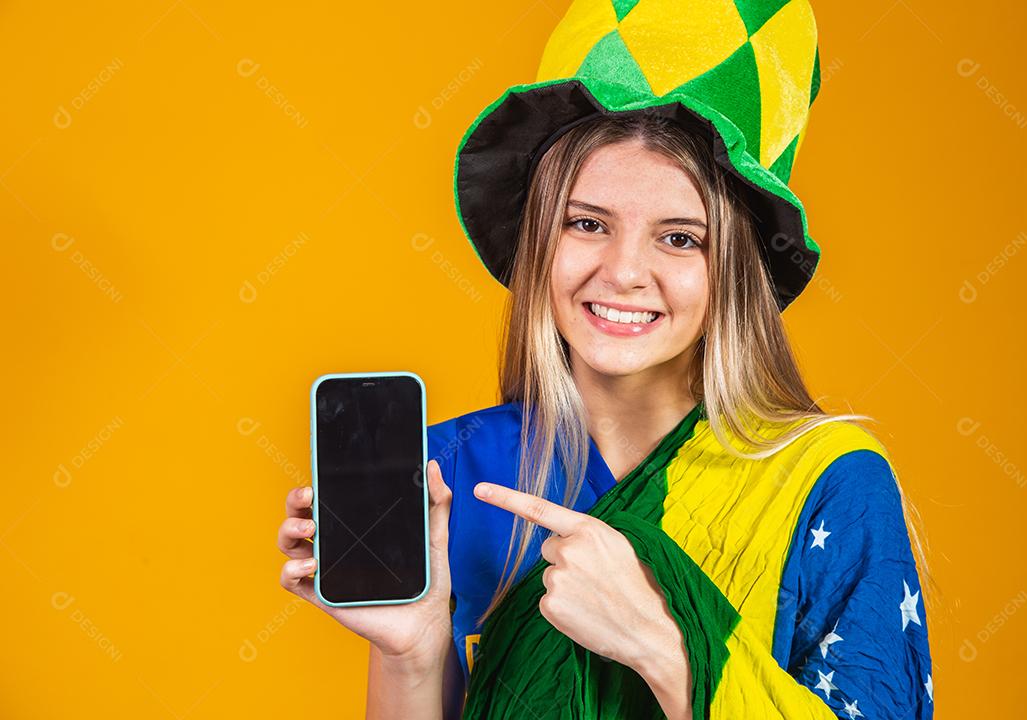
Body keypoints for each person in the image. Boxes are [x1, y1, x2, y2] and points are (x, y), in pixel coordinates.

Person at [277, 1, 935, 718]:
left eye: (681, 238)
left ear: (735, 270)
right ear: (538, 241)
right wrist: (409, 653)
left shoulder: (829, 483)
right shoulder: (450, 475)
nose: (624, 272)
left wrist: (661, 644)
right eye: (587, 224)